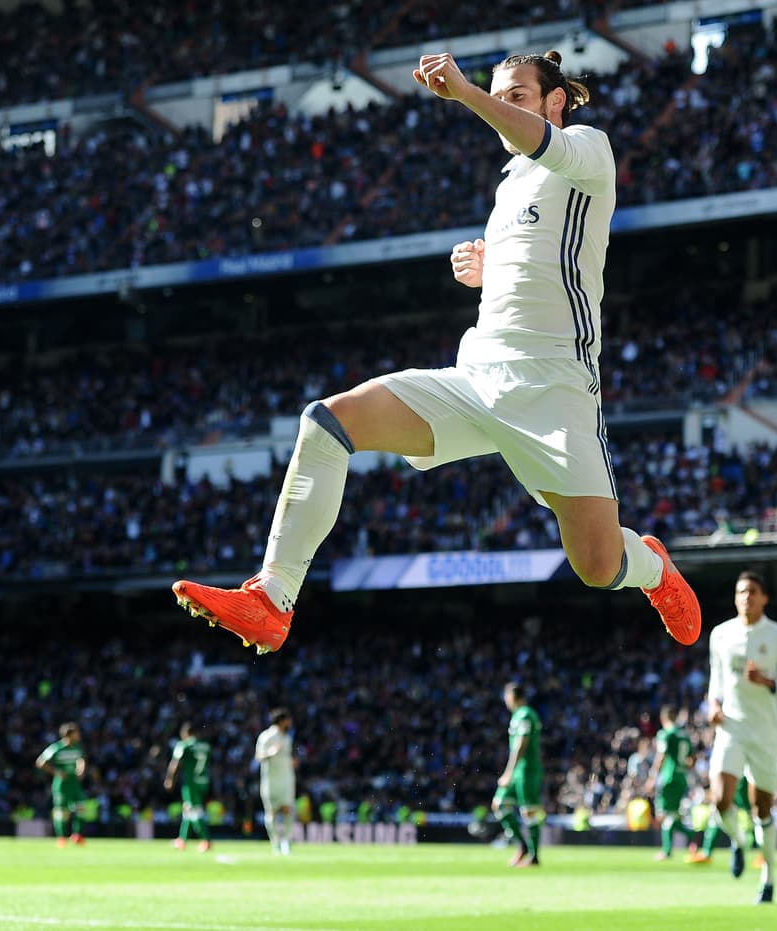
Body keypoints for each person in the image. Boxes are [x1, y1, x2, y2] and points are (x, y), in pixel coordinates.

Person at [172, 49, 700, 654]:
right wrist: (490, 271)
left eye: (518, 96)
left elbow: (542, 155)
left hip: (554, 393)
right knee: (326, 421)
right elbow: (544, 263)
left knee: (598, 565)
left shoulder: (587, 147)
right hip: (476, 380)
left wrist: (471, 94)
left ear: (554, 102)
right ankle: (273, 597)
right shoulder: (509, 188)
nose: (505, 106)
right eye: (501, 96)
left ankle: (653, 565)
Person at [696, 570, 777, 905]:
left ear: (765, 598)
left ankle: (769, 877)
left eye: (753, 592)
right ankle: (739, 842)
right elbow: (717, 678)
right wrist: (712, 705)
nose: (747, 597)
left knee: (762, 808)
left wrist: (769, 683)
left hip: (765, 731)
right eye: (742, 592)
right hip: (731, 727)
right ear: (735, 598)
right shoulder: (721, 634)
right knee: (720, 799)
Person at [494, 682, 544, 867]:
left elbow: (521, 744)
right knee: (499, 805)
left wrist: (508, 772)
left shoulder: (525, 714)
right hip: (518, 771)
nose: (505, 700)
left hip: (526, 771)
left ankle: (534, 855)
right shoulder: (517, 716)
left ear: (513, 696)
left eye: (507, 696)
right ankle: (522, 845)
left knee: (528, 812)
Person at [649, 706, 695, 860]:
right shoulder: (685, 735)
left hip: (668, 777)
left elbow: (662, 755)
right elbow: (692, 759)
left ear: (663, 719)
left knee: (664, 814)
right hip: (682, 778)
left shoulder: (666, 734)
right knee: (673, 814)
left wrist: (652, 777)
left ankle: (667, 850)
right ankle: (690, 836)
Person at [35, 722, 87, 847]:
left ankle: (77, 835)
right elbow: (40, 762)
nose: (79, 735)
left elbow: (82, 758)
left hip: (74, 782)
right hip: (62, 784)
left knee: (81, 808)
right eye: (76, 733)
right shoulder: (56, 748)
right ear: (69, 735)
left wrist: (81, 768)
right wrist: (56, 771)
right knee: (62, 812)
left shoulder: (77, 747)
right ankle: (62, 837)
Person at [164, 722, 213, 852]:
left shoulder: (184, 745)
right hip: (203, 781)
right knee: (188, 810)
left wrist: (169, 779)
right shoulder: (206, 746)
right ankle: (182, 839)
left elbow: (175, 763)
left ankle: (206, 840)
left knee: (195, 811)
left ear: (185, 734)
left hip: (191, 783)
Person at [256, 707, 297, 855]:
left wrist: (290, 762)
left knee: (287, 810)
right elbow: (259, 756)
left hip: (286, 779)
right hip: (271, 781)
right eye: (288, 719)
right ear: (282, 720)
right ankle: (275, 842)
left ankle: (286, 841)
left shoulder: (287, 737)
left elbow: (285, 756)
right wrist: (270, 752)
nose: (290, 722)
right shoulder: (266, 737)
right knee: (271, 813)